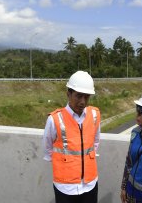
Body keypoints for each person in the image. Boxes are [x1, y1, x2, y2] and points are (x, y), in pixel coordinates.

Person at [43, 71, 101, 203]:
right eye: (78, 96)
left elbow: (95, 143)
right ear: (68, 94)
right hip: (65, 187)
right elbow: (47, 150)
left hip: (90, 184)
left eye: (86, 97)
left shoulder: (95, 115)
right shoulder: (55, 119)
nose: (82, 102)